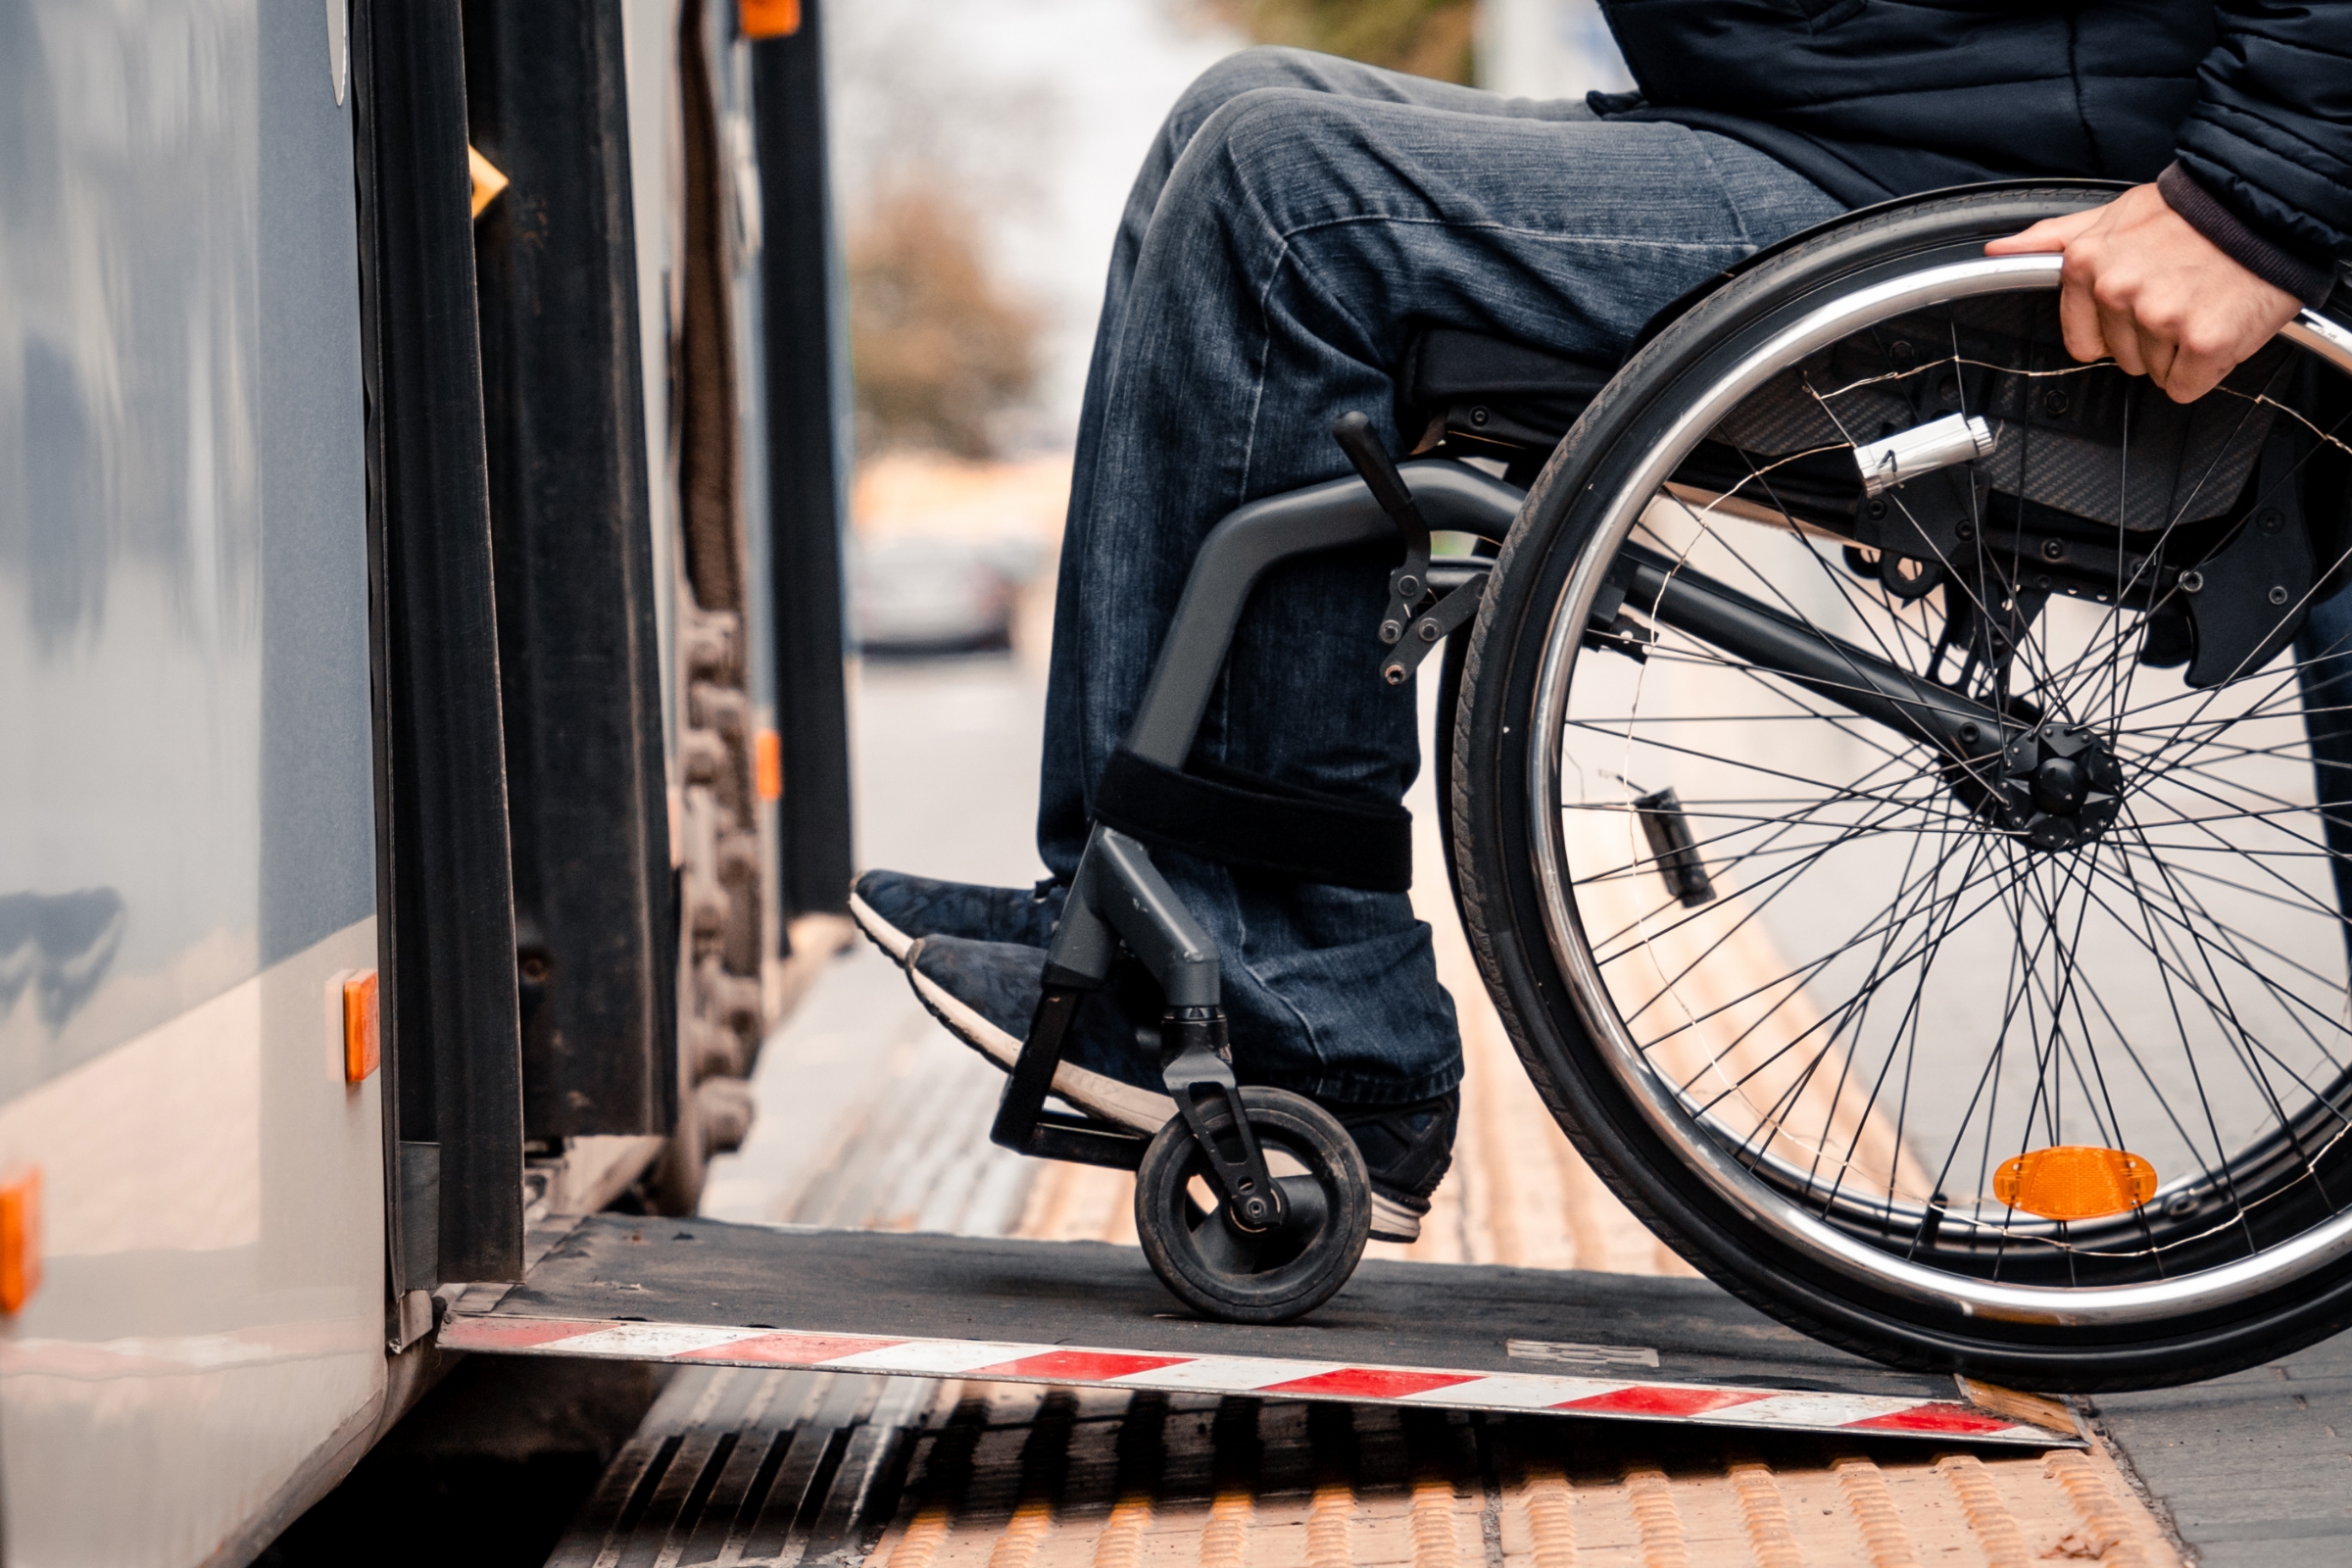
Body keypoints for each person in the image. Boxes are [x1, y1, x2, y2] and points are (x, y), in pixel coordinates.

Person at [852, 3, 2351, 1244]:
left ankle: (1302, 1013)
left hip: (2052, 184)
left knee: (1287, 199)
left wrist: (2255, 198)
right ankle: (1135, 919)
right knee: (1232, 112)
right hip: (1888, 118)